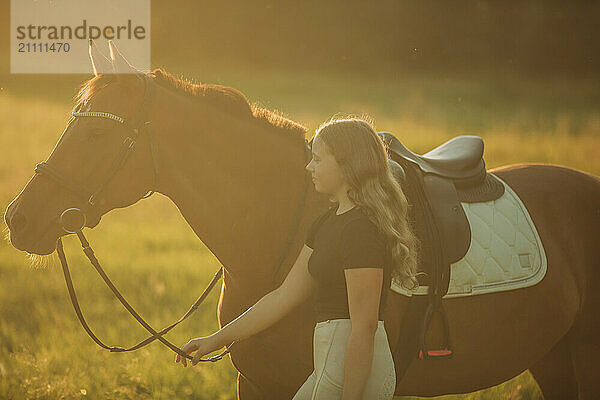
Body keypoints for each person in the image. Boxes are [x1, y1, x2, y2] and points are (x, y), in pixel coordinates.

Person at [175, 115, 421, 400]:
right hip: (331, 368)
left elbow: (364, 328)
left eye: (317, 159)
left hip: (357, 372)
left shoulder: (361, 231)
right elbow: (282, 297)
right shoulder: (325, 223)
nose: (309, 167)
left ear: (345, 165)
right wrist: (215, 340)